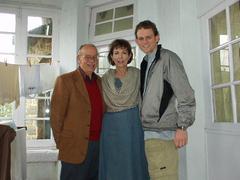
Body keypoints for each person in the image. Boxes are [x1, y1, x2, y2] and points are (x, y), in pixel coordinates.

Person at [135, 20, 196, 180]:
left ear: (157, 37)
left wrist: (183, 127)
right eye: (140, 38)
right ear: (136, 41)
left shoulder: (168, 58)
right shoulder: (145, 62)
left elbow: (186, 94)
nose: (144, 42)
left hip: (162, 135)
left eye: (148, 37)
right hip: (149, 134)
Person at [50, 44, 104, 180]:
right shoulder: (65, 80)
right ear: (78, 59)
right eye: (87, 57)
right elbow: (56, 117)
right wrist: (63, 144)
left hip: (98, 147)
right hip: (74, 147)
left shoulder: (101, 82)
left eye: (95, 57)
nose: (91, 60)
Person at [99, 39, 149, 180]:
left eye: (124, 52)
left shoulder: (138, 75)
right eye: (116, 53)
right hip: (110, 125)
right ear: (111, 56)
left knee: (132, 158)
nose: (120, 56)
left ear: (129, 56)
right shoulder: (104, 78)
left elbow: (147, 98)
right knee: (113, 160)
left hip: (132, 123)